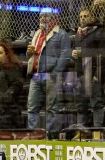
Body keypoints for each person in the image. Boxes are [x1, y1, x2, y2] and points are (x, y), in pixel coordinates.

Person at [26, 11, 71, 139]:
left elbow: (65, 56)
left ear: (53, 18)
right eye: (41, 16)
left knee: (52, 108)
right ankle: (33, 135)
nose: (42, 18)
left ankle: (51, 136)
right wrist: (28, 51)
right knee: (32, 108)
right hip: (36, 75)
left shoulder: (62, 34)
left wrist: (55, 73)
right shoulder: (37, 34)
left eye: (45, 16)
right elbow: (32, 53)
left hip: (50, 74)